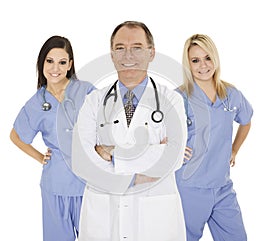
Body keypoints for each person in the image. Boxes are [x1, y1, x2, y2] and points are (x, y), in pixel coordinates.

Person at [71, 21, 187, 241]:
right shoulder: (94, 101)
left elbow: (174, 157)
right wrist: (147, 160)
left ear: (151, 53)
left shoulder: (171, 100)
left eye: (137, 47)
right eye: (120, 48)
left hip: (155, 218)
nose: (128, 56)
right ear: (112, 55)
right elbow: (81, 160)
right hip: (104, 217)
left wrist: (111, 154)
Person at [9, 35, 95, 241]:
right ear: (42, 63)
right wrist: (40, 157)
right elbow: (15, 136)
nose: (55, 68)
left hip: (88, 183)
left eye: (62, 62)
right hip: (55, 184)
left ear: (70, 64)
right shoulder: (38, 102)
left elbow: (109, 124)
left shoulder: (86, 91)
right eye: (50, 61)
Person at [175, 34, 253, 241]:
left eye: (207, 58)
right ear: (188, 64)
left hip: (222, 185)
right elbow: (160, 133)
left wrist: (234, 150)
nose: (203, 65)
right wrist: (174, 149)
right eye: (195, 60)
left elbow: (246, 121)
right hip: (189, 187)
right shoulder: (179, 97)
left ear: (215, 59)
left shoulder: (231, 94)